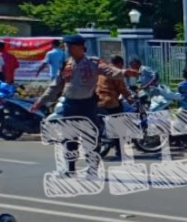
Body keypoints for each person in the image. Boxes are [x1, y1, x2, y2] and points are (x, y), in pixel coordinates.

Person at [31, 35, 130, 176]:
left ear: (80, 47)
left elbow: (110, 71)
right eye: (66, 46)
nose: (67, 49)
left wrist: (124, 72)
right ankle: (70, 169)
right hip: (70, 105)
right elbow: (54, 86)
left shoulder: (93, 62)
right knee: (69, 138)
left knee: (90, 138)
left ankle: (92, 169)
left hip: (87, 105)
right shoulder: (66, 64)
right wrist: (40, 102)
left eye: (69, 46)